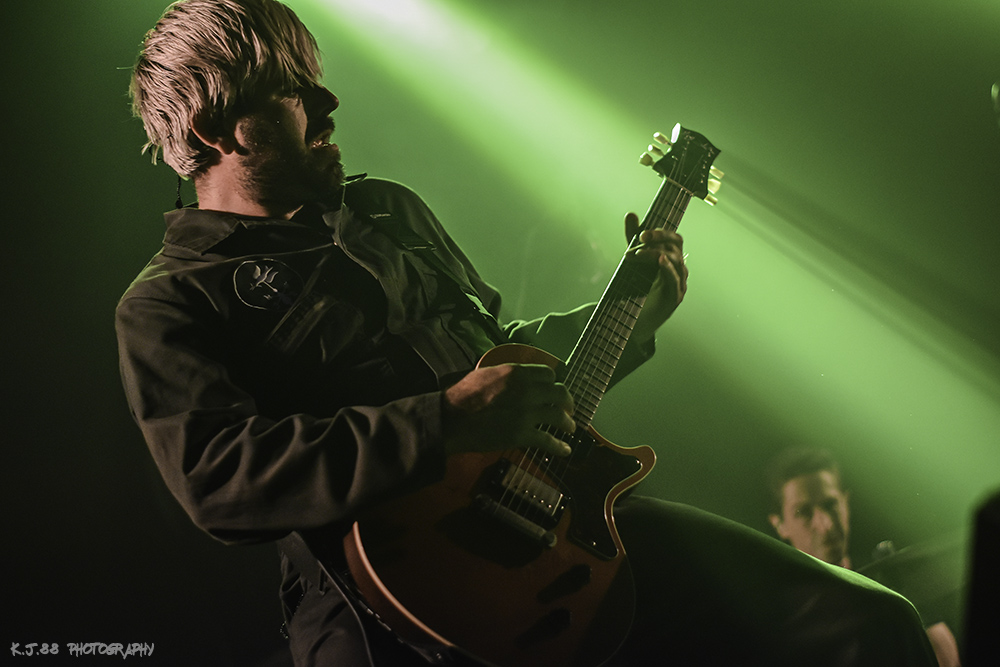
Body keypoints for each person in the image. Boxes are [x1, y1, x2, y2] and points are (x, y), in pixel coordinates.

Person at [117, 1, 939, 665]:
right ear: (219, 129)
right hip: (383, 603)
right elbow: (222, 478)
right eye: (293, 91)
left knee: (867, 625)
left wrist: (626, 315)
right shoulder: (171, 302)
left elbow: (495, 354)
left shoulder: (387, 209)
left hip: (565, 528)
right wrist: (446, 420)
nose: (326, 103)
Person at [766, 447, 963, 667]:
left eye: (830, 504)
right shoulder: (776, 615)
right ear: (779, 525)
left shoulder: (888, 579)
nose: (825, 525)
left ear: (845, 501)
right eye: (803, 512)